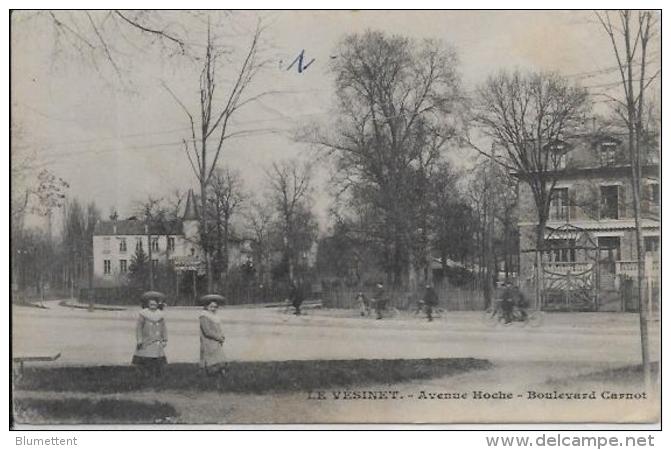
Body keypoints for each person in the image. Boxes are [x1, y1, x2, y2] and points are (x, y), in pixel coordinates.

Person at [132, 298, 168, 377]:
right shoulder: (144, 314)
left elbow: (163, 328)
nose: (153, 306)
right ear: (147, 305)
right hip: (146, 340)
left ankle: (156, 374)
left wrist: (165, 339)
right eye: (151, 304)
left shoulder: (160, 315)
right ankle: (145, 374)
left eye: (154, 304)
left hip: (157, 341)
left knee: (157, 358)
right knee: (145, 358)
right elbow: (139, 328)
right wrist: (139, 339)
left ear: (157, 305)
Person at [199, 300, 227, 376]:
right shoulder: (204, 317)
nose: (213, 309)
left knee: (219, 358)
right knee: (211, 359)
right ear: (206, 307)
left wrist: (222, 336)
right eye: (211, 307)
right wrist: (218, 337)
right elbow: (207, 331)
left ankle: (221, 374)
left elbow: (218, 329)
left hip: (216, 341)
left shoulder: (215, 317)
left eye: (215, 307)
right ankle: (210, 375)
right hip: (208, 341)